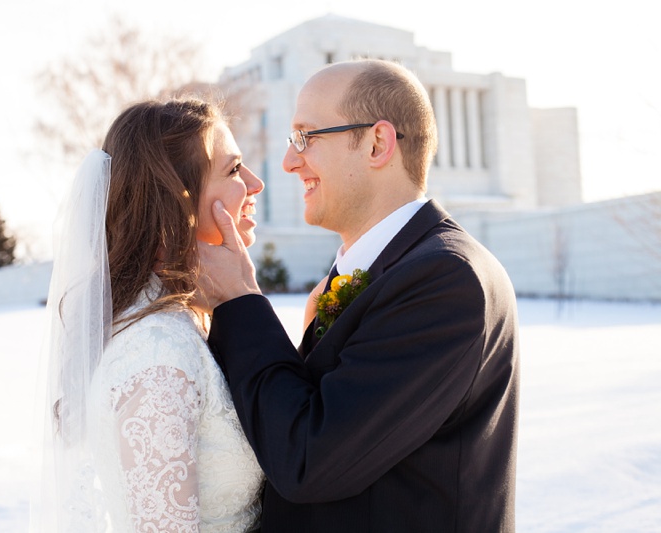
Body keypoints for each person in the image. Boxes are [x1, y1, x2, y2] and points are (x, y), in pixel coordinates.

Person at [197, 59, 520, 532]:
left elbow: (311, 458)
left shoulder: (447, 279)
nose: (289, 161)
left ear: (377, 143)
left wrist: (240, 301)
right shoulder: (370, 271)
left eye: (306, 137)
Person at [36, 98, 265, 532]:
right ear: (178, 201)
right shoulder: (157, 354)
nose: (255, 184)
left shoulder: (182, 323)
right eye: (234, 170)